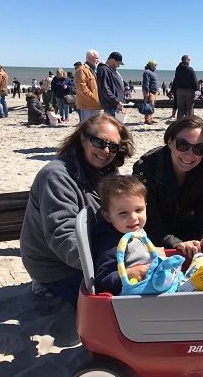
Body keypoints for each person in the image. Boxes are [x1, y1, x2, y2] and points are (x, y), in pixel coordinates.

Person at [20, 113, 134, 307]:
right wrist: (114, 265)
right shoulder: (57, 176)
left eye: (113, 146)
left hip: (97, 250)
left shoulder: (108, 173)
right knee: (118, 299)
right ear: (83, 139)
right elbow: (63, 236)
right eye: (98, 142)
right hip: (57, 265)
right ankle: (44, 285)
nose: (105, 151)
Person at [133, 115, 203, 258]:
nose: (190, 154)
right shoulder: (147, 168)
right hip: (155, 245)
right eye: (183, 145)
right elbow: (147, 221)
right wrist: (177, 244)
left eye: (198, 148)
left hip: (193, 243)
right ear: (170, 142)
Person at [93, 175, 161, 295]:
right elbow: (102, 282)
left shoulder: (135, 229)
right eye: (123, 213)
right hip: (132, 298)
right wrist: (129, 273)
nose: (133, 218)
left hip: (152, 284)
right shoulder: (112, 243)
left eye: (139, 210)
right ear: (107, 216)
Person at [75, 49, 102, 123]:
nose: (98, 60)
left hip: (96, 105)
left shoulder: (95, 70)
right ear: (89, 58)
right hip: (87, 106)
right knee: (87, 128)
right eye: (96, 58)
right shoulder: (82, 70)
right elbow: (82, 88)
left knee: (95, 127)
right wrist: (94, 98)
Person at [97, 51, 125, 116]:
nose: (118, 66)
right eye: (118, 63)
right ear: (112, 60)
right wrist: (116, 101)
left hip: (116, 105)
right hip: (111, 106)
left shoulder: (110, 69)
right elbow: (105, 88)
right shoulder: (104, 69)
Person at [142, 60, 159, 124]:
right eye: (155, 65)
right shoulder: (147, 72)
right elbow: (146, 83)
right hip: (150, 92)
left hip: (154, 92)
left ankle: (151, 118)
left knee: (152, 105)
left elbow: (155, 82)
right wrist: (146, 93)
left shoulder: (153, 73)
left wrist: (158, 90)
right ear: (151, 65)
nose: (156, 67)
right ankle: (147, 119)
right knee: (148, 105)